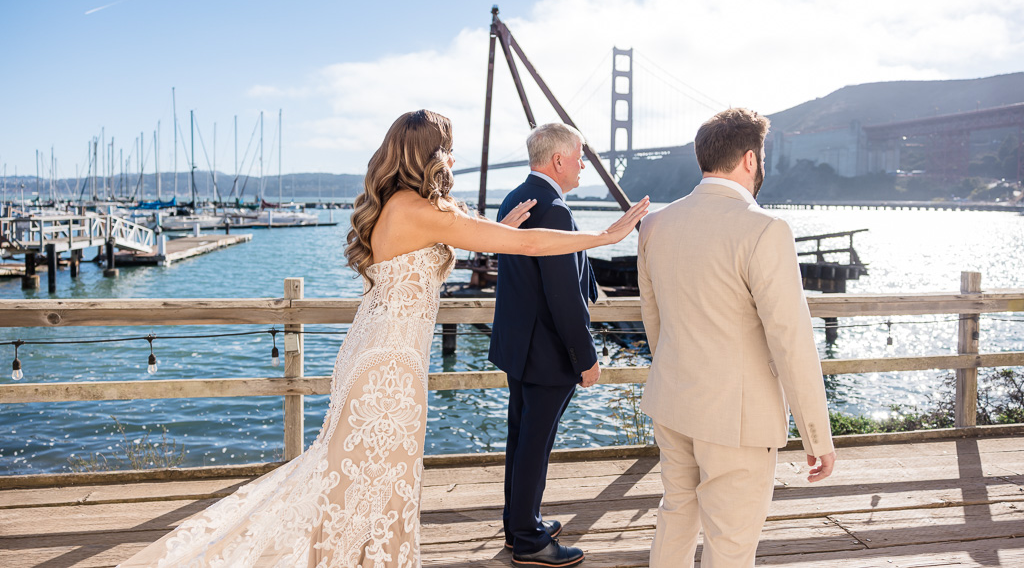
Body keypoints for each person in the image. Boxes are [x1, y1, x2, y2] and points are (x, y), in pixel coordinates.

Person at [119, 109, 648, 568]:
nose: (457, 159)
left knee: (352, 474)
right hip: (391, 364)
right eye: (452, 151)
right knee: (375, 475)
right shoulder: (427, 211)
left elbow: (473, 239)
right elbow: (529, 244)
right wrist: (604, 236)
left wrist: (498, 225)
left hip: (375, 350)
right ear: (432, 156)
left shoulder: (399, 205)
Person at [637, 107, 835, 568]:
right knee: (731, 544)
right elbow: (792, 341)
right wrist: (816, 436)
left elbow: (655, 321)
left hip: (672, 399)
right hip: (737, 418)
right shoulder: (765, 230)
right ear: (750, 159)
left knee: (676, 516)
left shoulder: (655, 225)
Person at [489, 123, 607, 568]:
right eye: (580, 157)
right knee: (536, 443)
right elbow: (563, 297)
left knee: (522, 439)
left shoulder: (515, 198)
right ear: (558, 159)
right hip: (547, 352)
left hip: (519, 346)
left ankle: (520, 521)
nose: (583, 165)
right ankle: (529, 541)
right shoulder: (555, 210)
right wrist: (587, 358)